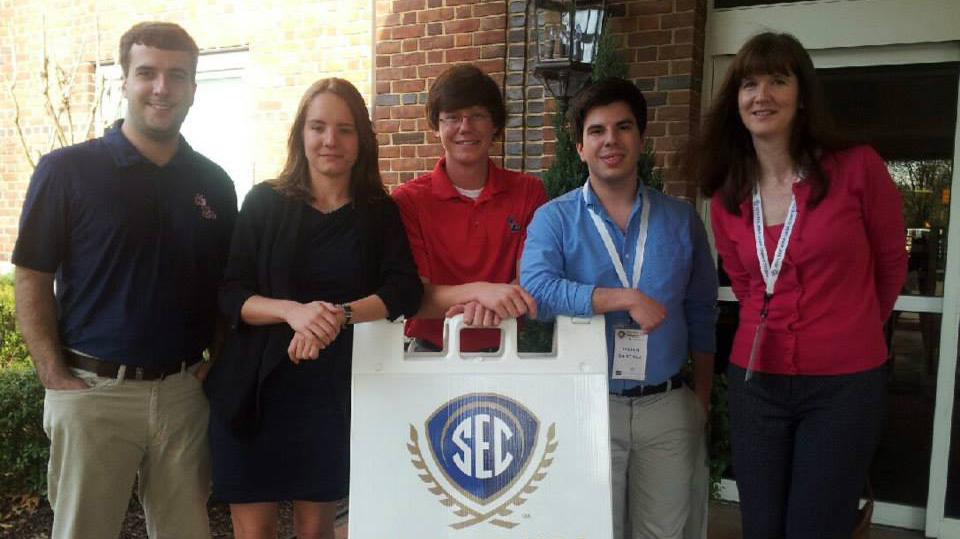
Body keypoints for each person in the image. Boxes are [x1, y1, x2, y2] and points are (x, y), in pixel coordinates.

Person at [12, 22, 237, 539]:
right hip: (92, 392)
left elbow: (228, 284)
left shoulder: (214, 183)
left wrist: (219, 360)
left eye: (177, 76)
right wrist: (52, 373)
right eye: (147, 73)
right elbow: (32, 277)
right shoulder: (66, 171)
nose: (162, 88)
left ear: (193, 89)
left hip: (183, 394)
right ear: (124, 81)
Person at [683, 32, 907, 538]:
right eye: (749, 84)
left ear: (802, 94)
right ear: (736, 100)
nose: (761, 95)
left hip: (843, 386)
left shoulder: (857, 168)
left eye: (778, 81)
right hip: (756, 384)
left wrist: (852, 329)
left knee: (816, 526)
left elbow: (891, 264)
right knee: (761, 525)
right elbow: (746, 284)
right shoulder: (729, 194)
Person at [203, 77, 422, 539]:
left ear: (361, 140)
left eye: (344, 129)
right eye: (318, 127)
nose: (330, 140)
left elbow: (403, 289)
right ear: (300, 134)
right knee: (255, 532)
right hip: (253, 389)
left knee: (317, 530)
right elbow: (232, 293)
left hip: (329, 393)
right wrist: (293, 312)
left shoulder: (378, 212)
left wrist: (337, 317)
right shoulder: (264, 202)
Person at [521, 77, 718, 539]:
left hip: (667, 406)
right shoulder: (554, 219)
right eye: (597, 130)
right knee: (593, 531)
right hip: (587, 404)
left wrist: (701, 400)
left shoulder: (681, 219)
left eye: (623, 127)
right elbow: (536, 292)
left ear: (641, 138)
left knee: (664, 532)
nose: (611, 139)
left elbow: (701, 311)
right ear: (580, 147)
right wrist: (623, 298)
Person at [392, 64, 546, 350]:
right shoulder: (409, 200)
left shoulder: (528, 192)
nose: (465, 127)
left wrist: (489, 303)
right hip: (429, 355)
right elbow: (413, 298)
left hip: (507, 352)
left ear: (495, 124)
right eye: (452, 117)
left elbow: (532, 279)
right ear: (436, 126)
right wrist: (481, 292)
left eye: (477, 115)